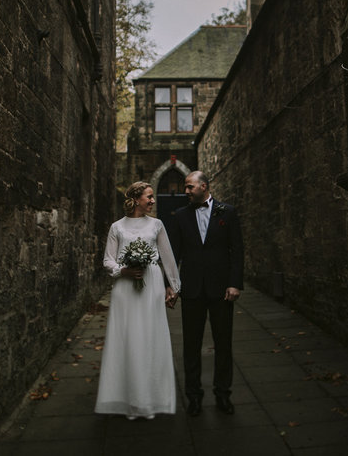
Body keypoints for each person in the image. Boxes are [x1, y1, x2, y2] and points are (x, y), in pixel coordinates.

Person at [94, 181, 181, 420]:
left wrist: (173, 286)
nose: (153, 201)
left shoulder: (157, 225)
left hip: (151, 284)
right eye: (149, 197)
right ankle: (129, 398)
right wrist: (123, 271)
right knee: (128, 338)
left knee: (150, 336)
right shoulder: (117, 227)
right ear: (136, 199)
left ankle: (152, 397)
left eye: (152, 197)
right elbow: (108, 260)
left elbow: (167, 257)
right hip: (125, 288)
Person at [168, 170, 244, 416]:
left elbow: (237, 251)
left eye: (190, 187)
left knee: (223, 343)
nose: (186, 191)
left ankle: (223, 394)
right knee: (191, 345)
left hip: (222, 289)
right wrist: (172, 285)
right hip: (192, 290)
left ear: (204, 186)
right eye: (186, 187)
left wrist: (235, 283)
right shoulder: (180, 216)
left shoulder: (228, 212)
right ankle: (194, 396)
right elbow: (174, 255)